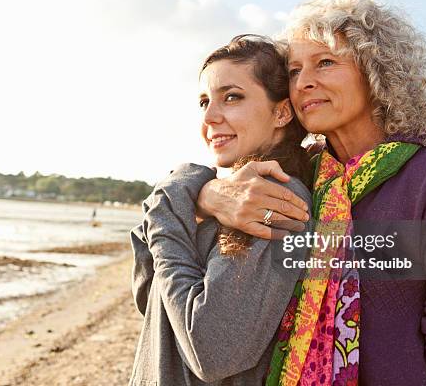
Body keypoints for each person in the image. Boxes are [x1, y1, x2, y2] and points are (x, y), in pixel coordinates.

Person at [195, 0, 426, 386]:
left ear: (377, 72)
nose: (304, 83)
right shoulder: (296, 174)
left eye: (325, 62)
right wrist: (208, 195)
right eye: (293, 71)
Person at [129, 35, 315, 385]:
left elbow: (211, 352)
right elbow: (150, 300)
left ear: (281, 112)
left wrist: (177, 192)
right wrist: (197, 198)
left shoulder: (276, 199)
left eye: (232, 97)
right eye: (204, 102)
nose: (210, 117)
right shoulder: (227, 199)